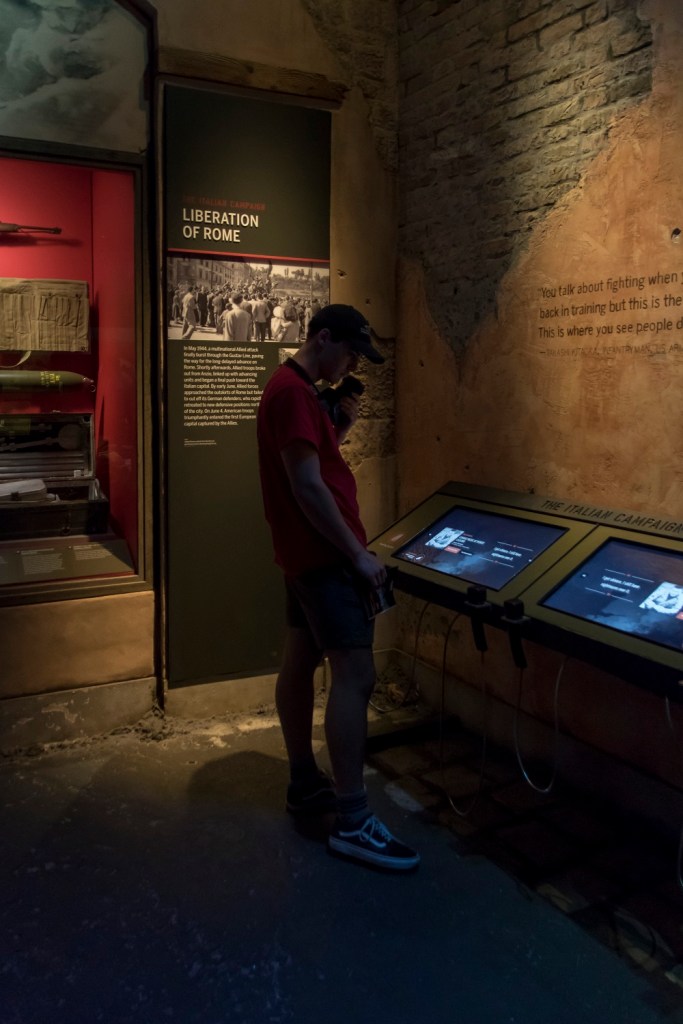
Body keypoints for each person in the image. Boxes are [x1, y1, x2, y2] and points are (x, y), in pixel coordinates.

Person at [256, 304, 420, 871]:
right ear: (322, 339)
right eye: (349, 352)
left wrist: (340, 430)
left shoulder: (291, 389)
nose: (350, 364)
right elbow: (305, 486)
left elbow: (314, 468)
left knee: (301, 661)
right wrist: (356, 554)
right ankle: (353, 820)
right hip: (326, 559)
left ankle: (305, 780)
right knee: (355, 674)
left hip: (306, 557)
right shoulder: (293, 394)